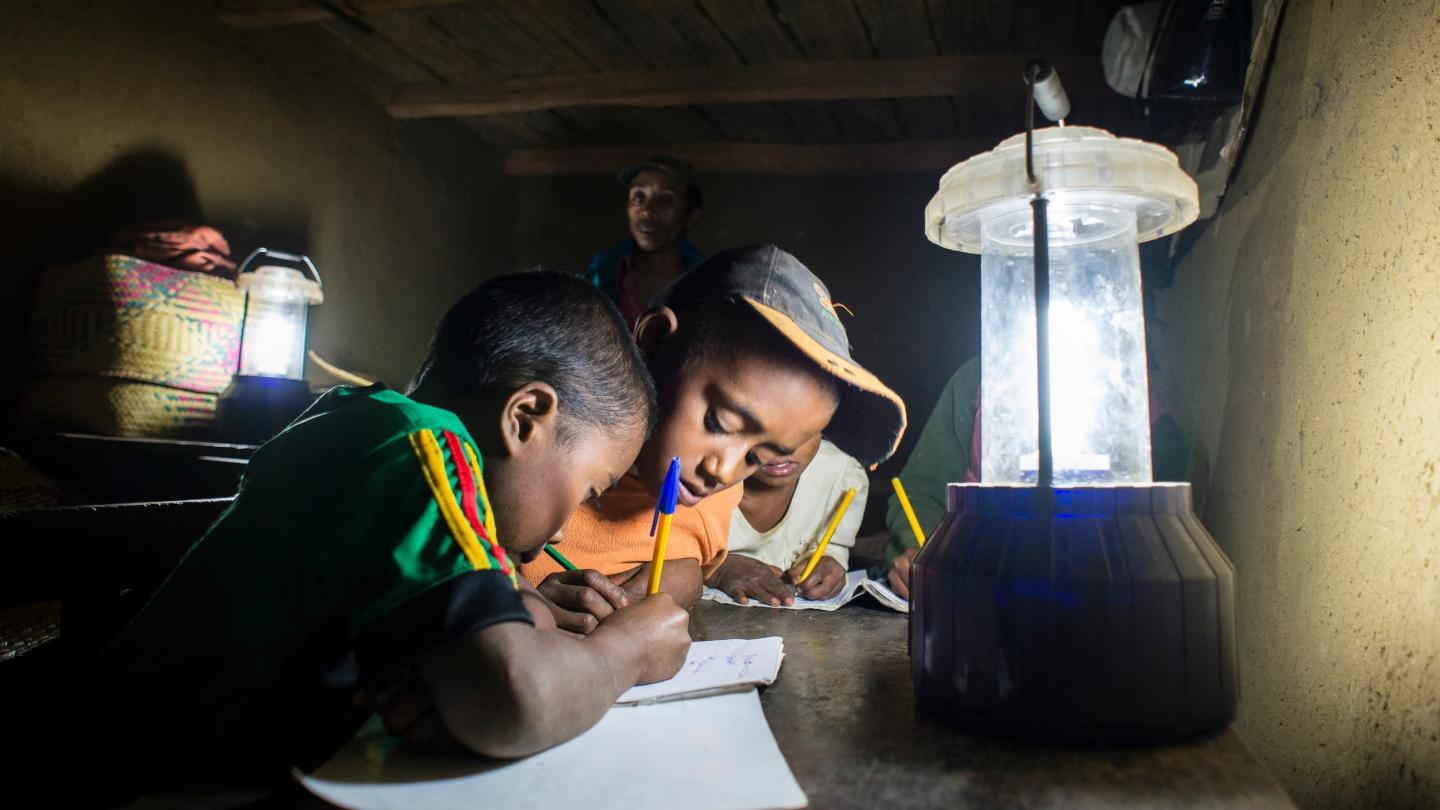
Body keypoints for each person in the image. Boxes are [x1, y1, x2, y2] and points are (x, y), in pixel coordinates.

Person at [57, 272, 691, 802]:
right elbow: (513, 697)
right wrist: (624, 653)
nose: (566, 526)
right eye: (589, 490)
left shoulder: (360, 421)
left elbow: (485, 663)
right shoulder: (420, 449)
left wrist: (496, 647)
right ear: (525, 418)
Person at [521, 244, 907, 633]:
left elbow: (691, 561)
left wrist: (671, 584)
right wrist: (521, 601)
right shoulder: (548, 442)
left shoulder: (715, 498)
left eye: (756, 458)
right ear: (655, 342)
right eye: (719, 423)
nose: (722, 471)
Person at [883, 355, 1189, 597]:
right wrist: (918, 551)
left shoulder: (1118, 380)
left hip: (1097, 594)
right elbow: (922, 489)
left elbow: (1162, 496)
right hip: (976, 593)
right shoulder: (975, 381)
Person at [711, 436, 869, 605]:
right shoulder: (695, 473)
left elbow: (834, 547)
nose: (782, 448)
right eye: (760, 427)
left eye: (804, 429)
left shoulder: (841, 476)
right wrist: (715, 570)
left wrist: (831, 561)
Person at [584, 154, 705, 328]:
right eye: (638, 197)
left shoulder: (709, 287)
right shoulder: (601, 277)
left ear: (691, 216)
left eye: (666, 200)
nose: (647, 211)